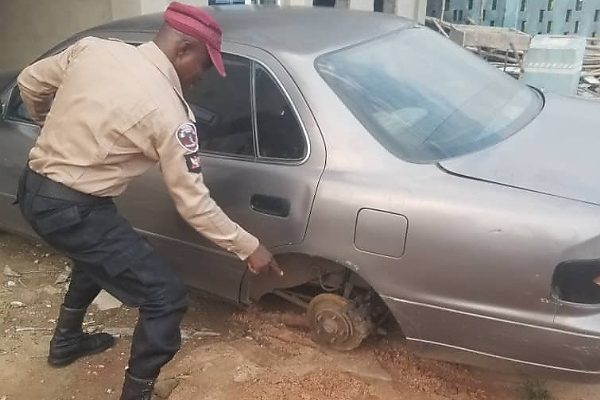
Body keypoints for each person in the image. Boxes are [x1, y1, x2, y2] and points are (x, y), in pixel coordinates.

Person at [14, 2, 283, 399]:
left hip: (34, 188)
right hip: (74, 210)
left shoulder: (94, 48)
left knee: (96, 257)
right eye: (204, 66)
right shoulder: (170, 113)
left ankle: (66, 341)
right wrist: (249, 246)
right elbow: (192, 203)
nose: (201, 78)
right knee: (166, 297)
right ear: (183, 49)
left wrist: (49, 127)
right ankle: (135, 394)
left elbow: (29, 83)